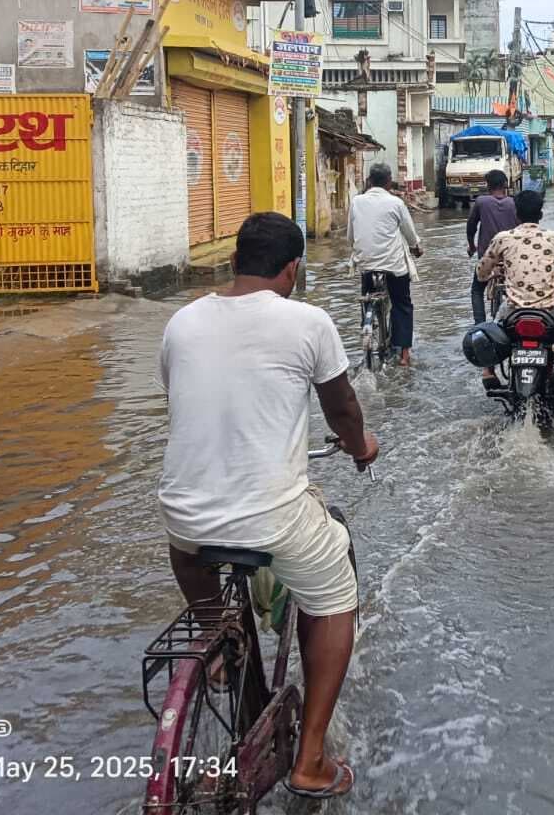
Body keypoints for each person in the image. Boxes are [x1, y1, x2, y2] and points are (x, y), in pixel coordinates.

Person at [157, 212, 379, 801]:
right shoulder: (308, 321)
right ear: (292, 269)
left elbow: (182, 396)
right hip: (273, 516)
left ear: (233, 262)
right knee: (334, 596)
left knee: (187, 545)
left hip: (185, 518)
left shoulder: (182, 321)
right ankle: (309, 760)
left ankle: (217, 640)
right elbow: (343, 410)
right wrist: (361, 449)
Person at [475, 189, 554, 390]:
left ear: (517, 215)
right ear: (541, 214)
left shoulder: (502, 238)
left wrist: (491, 274)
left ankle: (489, 370)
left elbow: (481, 271)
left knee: (492, 323)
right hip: (550, 311)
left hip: (513, 311)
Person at [348, 163, 423, 366]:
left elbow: (351, 236)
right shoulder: (396, 203)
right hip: (393, 265)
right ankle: (404, 355)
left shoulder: (356, 202)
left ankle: (368, 320)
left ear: (369, 181)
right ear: (389, 182)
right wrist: (416, 247)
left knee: (367, 295)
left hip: (366, 263)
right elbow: (409, 233)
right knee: (402, 304)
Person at [466, 169, 518, 323]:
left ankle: (479, 324)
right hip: (511, 258)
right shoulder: (514, 202)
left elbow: (471, 227)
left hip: (487, 258)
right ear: (505, 185)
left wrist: (471, 245)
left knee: (477, 290)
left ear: (488, 186)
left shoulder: (481, 202)